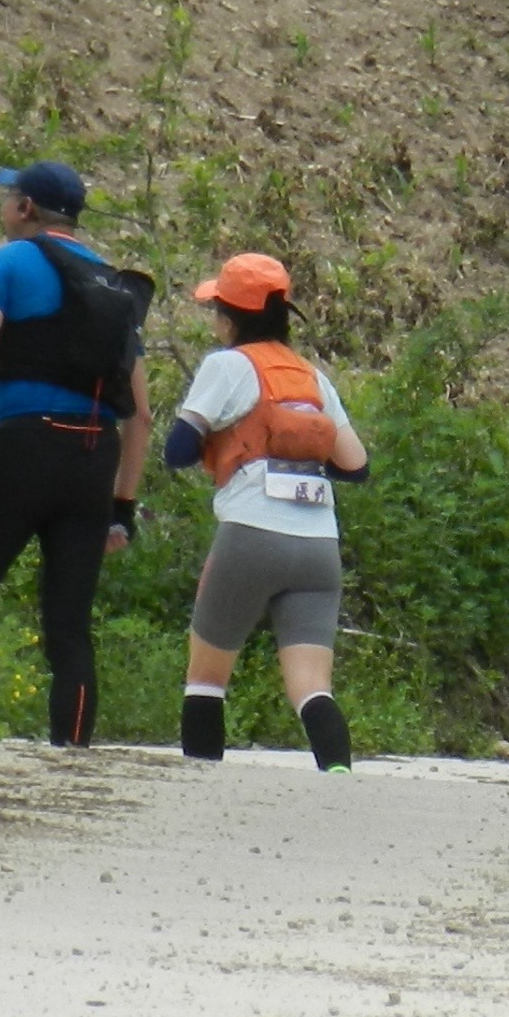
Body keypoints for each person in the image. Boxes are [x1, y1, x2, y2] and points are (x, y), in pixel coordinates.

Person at [0, 160, 150, 747]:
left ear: (26, 208)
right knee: (69, 627)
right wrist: (122, 507)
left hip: (27, 444)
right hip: (94, 457)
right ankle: (73, 751)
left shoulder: (5, 263)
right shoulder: (116, 287)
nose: (3, 206)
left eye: (8, 197)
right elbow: (143, 415)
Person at [164, 252, 368, 770]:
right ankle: (338, 776)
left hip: (251, 534)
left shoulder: (227, 365)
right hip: (319, 545)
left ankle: (202, 784)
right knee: (311, 688)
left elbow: (178, 448)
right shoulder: (311, 377)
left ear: (230, 318)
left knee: (206, 679)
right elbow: (355, 464)